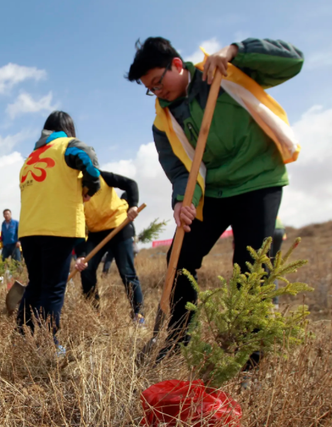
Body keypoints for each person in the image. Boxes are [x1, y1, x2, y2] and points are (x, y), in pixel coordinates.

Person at [127, 37, 303, 361]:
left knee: (251, 265)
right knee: (180, 258)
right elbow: (181, 170)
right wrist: (182, 201)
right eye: (150, 89)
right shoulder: (163, 121)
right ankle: (178, 338)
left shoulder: (222, 71)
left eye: (158, 82)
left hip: (258, 179)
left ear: (177, 65)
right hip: (214, 191)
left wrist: (237, 51)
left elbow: (294, 61)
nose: (157, 92)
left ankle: (250, 355)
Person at [17, 110, 101, 353]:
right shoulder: (68, 145)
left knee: (37, 284)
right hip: (57, 228)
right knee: (53, 287)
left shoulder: (31, 157)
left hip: (30, 229)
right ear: (68, 129)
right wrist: (90, 187)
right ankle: (48, 343)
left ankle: (22, 333)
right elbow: (90, 161)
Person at [77, 174, 144, 323]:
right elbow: (78, 222)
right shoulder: (72, 186)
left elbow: (130, 183)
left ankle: (138, 314)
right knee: (86, 269)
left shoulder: (101, 176)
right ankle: (94, 315)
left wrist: (133, 205)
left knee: (127, 272)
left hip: (119, 226)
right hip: (95, 232)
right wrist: (81, 254)